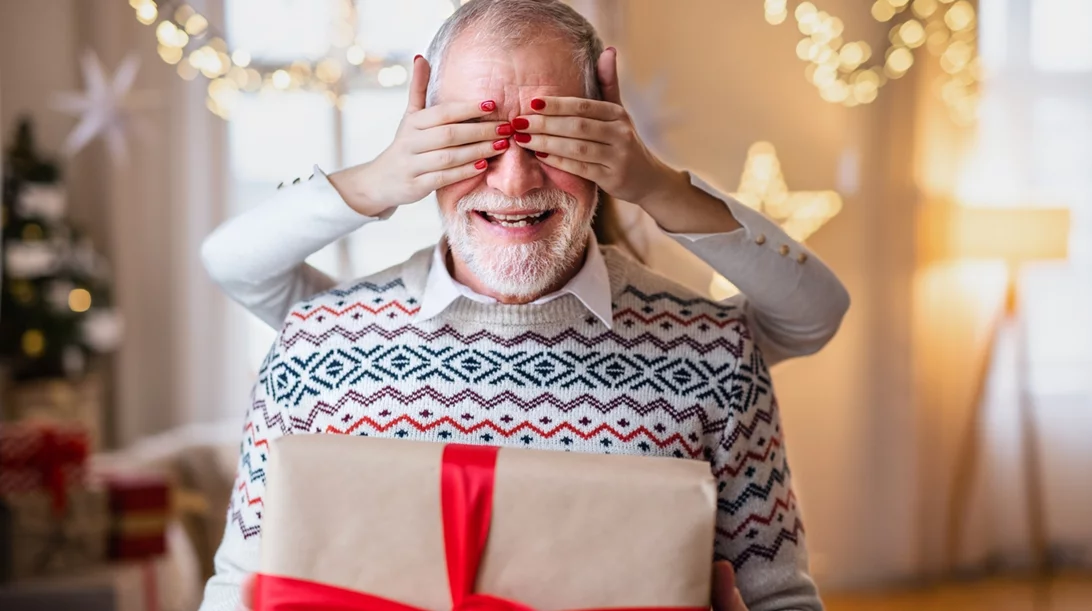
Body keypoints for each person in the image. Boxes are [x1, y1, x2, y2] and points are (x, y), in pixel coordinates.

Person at [200, 1, 849, 610]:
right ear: (423, 142)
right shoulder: (317, 344)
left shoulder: (716, 355)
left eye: (555, 137)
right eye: (471, 136)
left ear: (607, 142)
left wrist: (648, 180)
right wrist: (382, 177)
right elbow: (239, 589)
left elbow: (781, 598)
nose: (514, 180)